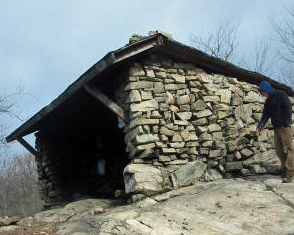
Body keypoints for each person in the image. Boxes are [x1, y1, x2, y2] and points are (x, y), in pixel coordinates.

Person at [256, 81, 293, 183]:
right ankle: (285, 169)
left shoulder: (281, 94)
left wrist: (287, 122)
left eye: (262, 92)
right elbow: (265, 116)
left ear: (266, 89)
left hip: (285, 127)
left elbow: (288, 108)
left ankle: (290, 174)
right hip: (276, 128)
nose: (262, 94)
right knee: (279, 150)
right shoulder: (268, 102)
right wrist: (259, 128)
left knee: (289, 149)